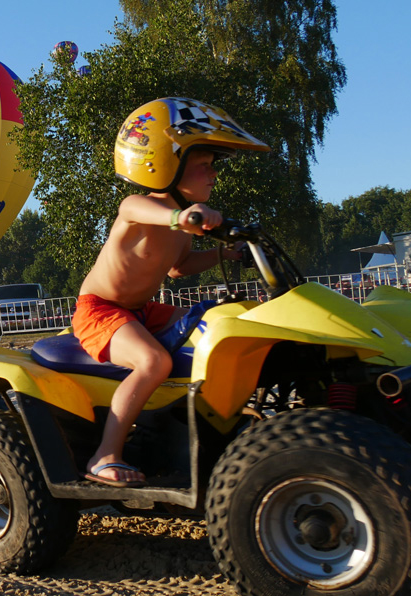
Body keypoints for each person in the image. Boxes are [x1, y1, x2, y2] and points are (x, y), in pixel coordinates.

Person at [74, 97, 271, 487]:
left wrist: (222, 253)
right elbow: (137, 210)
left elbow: (181, 267)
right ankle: (104, 454)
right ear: (169, 168)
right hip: (100, 310)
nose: (213, 174)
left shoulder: (184, 224)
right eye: (204, 166)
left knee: (219, 322)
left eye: (212, 167)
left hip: (141, 310)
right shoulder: (140, 207)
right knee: (153, 363)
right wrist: (179, 217)